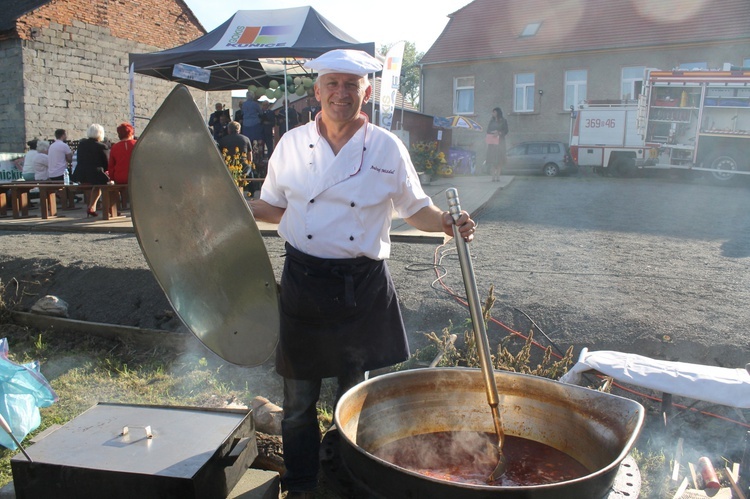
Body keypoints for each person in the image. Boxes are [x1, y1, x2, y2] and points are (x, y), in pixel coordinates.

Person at [248, 49, 476, 499]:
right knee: (296, 403)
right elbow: (273, 208)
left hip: (362, 286)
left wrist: (448, 224)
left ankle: (348, 484)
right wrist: (232, 207)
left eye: (351, 85)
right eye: (332, 84)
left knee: (356, 403)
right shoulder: (291, 145)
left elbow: (417, 210)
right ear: (317, 91)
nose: (341, 93)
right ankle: (301, 486)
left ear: (365, 93)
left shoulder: (387, 146)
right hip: (304, 284)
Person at [73, 124, 110, 217]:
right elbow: (106, 163)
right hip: (95, 173)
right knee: (109, 185)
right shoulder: (102, 146)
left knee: (97, 187)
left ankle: (92, 207)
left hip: (81, 173)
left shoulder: (82, 145)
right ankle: (110, 209)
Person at [217, 120, 255, 195]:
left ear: (228, 130)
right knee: (250, 172)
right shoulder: (246, 139)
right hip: (243, 166)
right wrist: (249, 164)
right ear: (239, 130)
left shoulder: (222, 140)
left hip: (228, 165)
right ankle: (252, 191)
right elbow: (249, 154)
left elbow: (220, 155)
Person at [486, 107, 509, 182]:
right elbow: (488, 130)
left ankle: (498, 177)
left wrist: (499, 132)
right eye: (492, 112)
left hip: (500, 143)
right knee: (492, 161)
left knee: (499, 161)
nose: (493, 114)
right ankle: (493, 177)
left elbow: (506, 130)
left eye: (494, 112)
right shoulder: (491, 121)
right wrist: (492, 132)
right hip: (492, 143)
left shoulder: (503, 121)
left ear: (498, 113)